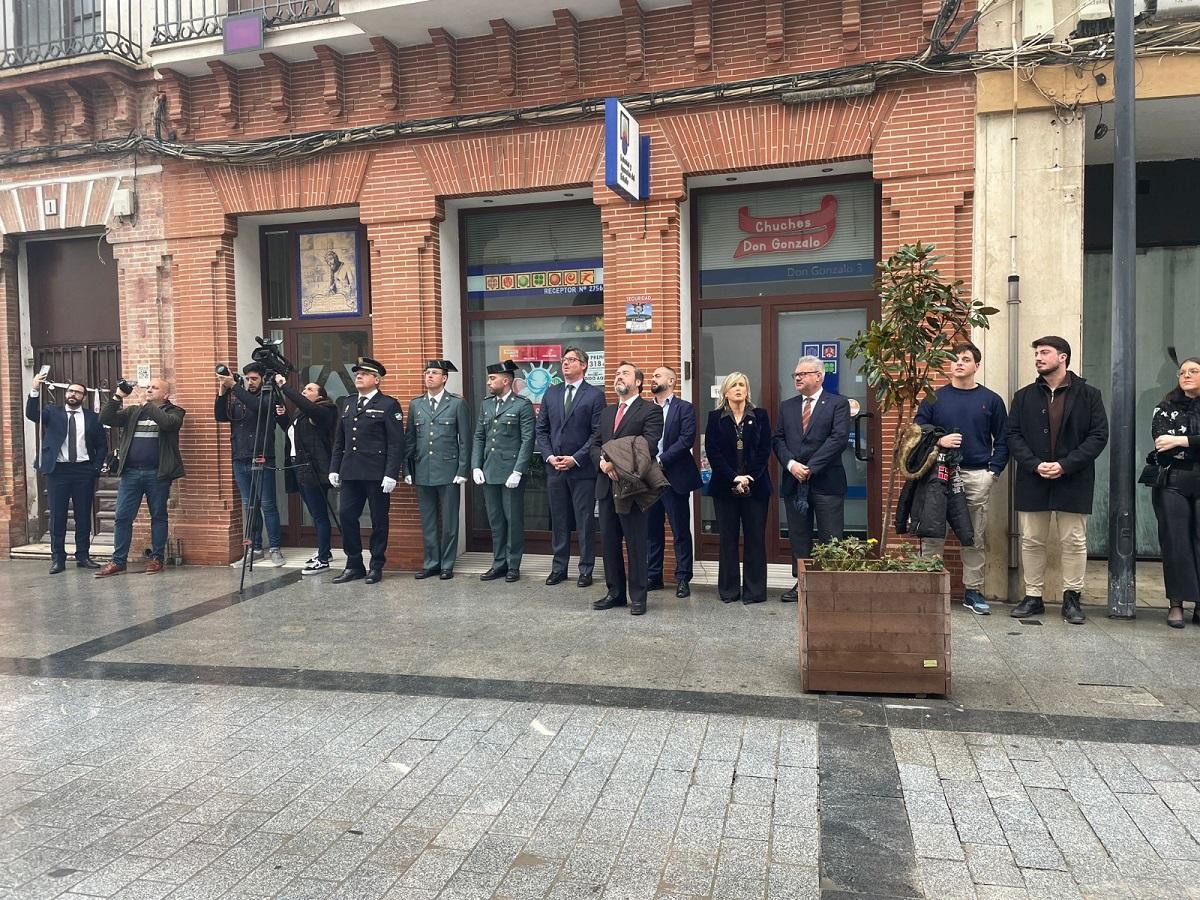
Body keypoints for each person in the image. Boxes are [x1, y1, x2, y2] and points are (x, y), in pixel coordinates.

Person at [1007, 336, 1108, 624]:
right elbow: (1012, 435)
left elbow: (1098, 436)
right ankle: (1033, 596)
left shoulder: (1090, 394)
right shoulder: (1024, 396)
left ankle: (1072, 598)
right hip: (1033, 477)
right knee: (1031, 540)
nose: (1038, 357)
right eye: (1036, 353)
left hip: (1073, 478)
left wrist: (1064, 465)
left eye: (1045, 352)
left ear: (1063, 357)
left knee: (1074, 540)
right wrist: (1035, 464)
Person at [914, 341, 1009, 615]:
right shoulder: (934, 397)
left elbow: (1003, 439)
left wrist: (993, 472)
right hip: (938, 474)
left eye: (965, 359)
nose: (958, 363)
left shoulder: (991, 400)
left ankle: (972, 591)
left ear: (976, 366)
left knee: (974, 536)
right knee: (933, 532)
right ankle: (929, 589)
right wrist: (940, 439)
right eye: (955, 358)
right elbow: (918, 429)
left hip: (976, 474)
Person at [772, 355, 850, 602]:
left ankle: (831, 588)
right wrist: (792, 465)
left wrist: (810, 468)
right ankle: (802, 584)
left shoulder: (837, 404)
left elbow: (838, 439)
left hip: (826, 482)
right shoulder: (788, 406)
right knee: (799, 536)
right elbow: (778, 439)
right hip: (794, 482)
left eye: (803, 374)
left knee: (831, 535)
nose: (798, 377)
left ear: (819, 376)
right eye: (796, 374)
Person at [590, 361, 664, 616]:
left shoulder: (650, 411)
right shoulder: (606, 413)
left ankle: (639, 597)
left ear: (639, 382)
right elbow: (594, 443)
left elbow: (648, 446)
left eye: (625, 373)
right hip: (605, 485)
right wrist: (601, 462)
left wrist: (615, 463)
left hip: (632, 487)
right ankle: (615, 593)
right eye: (616, 373)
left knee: (635, 543)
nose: (618, 377)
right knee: (610, 543)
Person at [94, 378, 186, 578]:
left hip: (158, 473)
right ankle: (118, 561)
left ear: (166, 395)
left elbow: (167, 424)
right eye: (148, 387)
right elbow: (105, 419)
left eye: (154, 388)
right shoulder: (133, 411)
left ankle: (157, 558)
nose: (149, 389)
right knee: (122, 517)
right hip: (131, 473)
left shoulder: (175, 412)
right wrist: (118, 396)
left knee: (158, 516)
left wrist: (145, 404)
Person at [328, 357, 405, 584]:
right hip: (351, 471)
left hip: (376, 473)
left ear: (376, 379)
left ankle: (376, 565)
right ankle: (354, 564)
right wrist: (334, 468)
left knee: (379, 519)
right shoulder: (349, 403)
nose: (358, 376)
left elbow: (396, 443)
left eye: (364, 374)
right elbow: (339, 441)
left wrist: (392, 473)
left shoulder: (388, 405)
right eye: (357, 374)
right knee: (347, 516)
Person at [536, 346, 604, 588]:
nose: (566, 364)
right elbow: (541, 430)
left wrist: (576, 458)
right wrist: (549, 456)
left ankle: (586, 569)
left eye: (572, 360)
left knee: (584, 520)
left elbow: (598, 434)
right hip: (555, 468)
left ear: (584, 365)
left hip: (582, 470)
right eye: (564, 360)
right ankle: (559, 568)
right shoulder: (551, 393)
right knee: (559, 519)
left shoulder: (594, 395)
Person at [25, 372, 106, 573]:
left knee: (83, 516)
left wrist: (95, 468)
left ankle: (83, 555)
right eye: (70, 391)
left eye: (78, 393)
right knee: (58, 516)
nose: (73, 395)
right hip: (57, 471)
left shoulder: (92, 418)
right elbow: (31, 414)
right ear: (66, 394)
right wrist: (35, 388)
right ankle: (58, 558)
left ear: (83, 398)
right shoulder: (52, 412)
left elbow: (102, 446)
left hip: (82, 471)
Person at [707, 372, 773, 604]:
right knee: (727, 539)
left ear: (748, 390)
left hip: (756, 487)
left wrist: (748, 477)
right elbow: (713, 453)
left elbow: (765, 450)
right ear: (725, 391)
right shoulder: (715, 417)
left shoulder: (760, 416)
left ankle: (754, 592)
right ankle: (729, 590)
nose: (738, 388)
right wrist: (734, 477)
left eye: (742, 385)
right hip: (725, 488)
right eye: (733, 385)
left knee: (755, 539)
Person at [405, 360, 470, 580]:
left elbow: (464, 440)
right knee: (428, 520)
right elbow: (410, 440)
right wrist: (407, 469)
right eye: (427, 373)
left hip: (449, 469)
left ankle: (447, 564)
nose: (429, 376)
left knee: (450, 520)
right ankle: (431, 562)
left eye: (434, 373)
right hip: (423, 469)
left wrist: (463, 469)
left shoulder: (456, 404)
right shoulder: (416, 404)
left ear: (444, 378)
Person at [472, 360, 534, 583]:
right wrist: (476, 466)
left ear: (506, 380)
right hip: (490, 470)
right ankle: (498, 563)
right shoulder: (487, 404)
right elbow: (479, 435)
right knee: (496, 520)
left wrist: (518, 470)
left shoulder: (521, 405)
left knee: (513, 520)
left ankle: (513, 564)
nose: (489, 382)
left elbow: (528, 440)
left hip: (510, 472)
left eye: (492, 378)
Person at [216, 363, 284, 567]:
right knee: (249, 506)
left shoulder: (269, 396)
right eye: (247, 379)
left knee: (267, 505)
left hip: (262, 457)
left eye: (254, 378)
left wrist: (234, 387)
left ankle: (274, 548)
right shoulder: (238, 397)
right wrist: (222, 392)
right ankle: (255, 548)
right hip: (240, 458)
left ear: (263, 378)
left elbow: (258, 408)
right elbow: (220, 416)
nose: (250, 382)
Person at [1151, 357, 1200, 628]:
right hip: (1174, 480)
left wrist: (1182, 440)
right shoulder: (1166, 406)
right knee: (1175, 542)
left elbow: (1173, 441)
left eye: (1193, 371)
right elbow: (1160, 441)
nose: (1186, 375)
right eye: (1182, 372)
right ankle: (1177, 604)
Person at [273, 373, 337, 575]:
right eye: (304, 389)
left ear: (319, 396)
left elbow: (309, 409)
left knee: (319, 514)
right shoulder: (301, 412)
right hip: (299, 467)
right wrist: (283, 417)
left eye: (309, 389)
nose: (304, 391)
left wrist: (285, 387)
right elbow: (294, 434)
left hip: (314, 469)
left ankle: (324, 555)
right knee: (314, 511)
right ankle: (323, 552)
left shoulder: (325, 410)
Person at [646, 365, 702, 598]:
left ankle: (682, 578)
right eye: (652, 376)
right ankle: (654, 575)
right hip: (648, 478)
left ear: (671, 381)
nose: (652, 378)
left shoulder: (684, 408)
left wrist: (661, 460)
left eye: (657, 375)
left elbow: (686, 439)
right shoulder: (645, 409)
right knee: (652, 530)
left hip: (674, 476)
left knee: (679, 530)